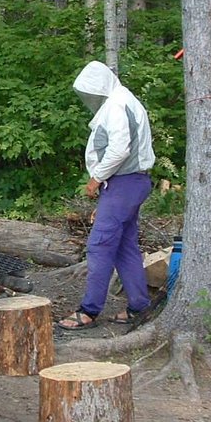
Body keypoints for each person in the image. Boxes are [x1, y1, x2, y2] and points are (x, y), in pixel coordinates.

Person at [57, 61, 156, 330]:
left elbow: (120, 149)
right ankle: (139, 306)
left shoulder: (117, 104)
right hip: (128, 183)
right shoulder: (122, 101)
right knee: (125, 246)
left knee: (100, 245)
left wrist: (96, 178)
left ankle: (89, 310)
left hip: (125, 182)